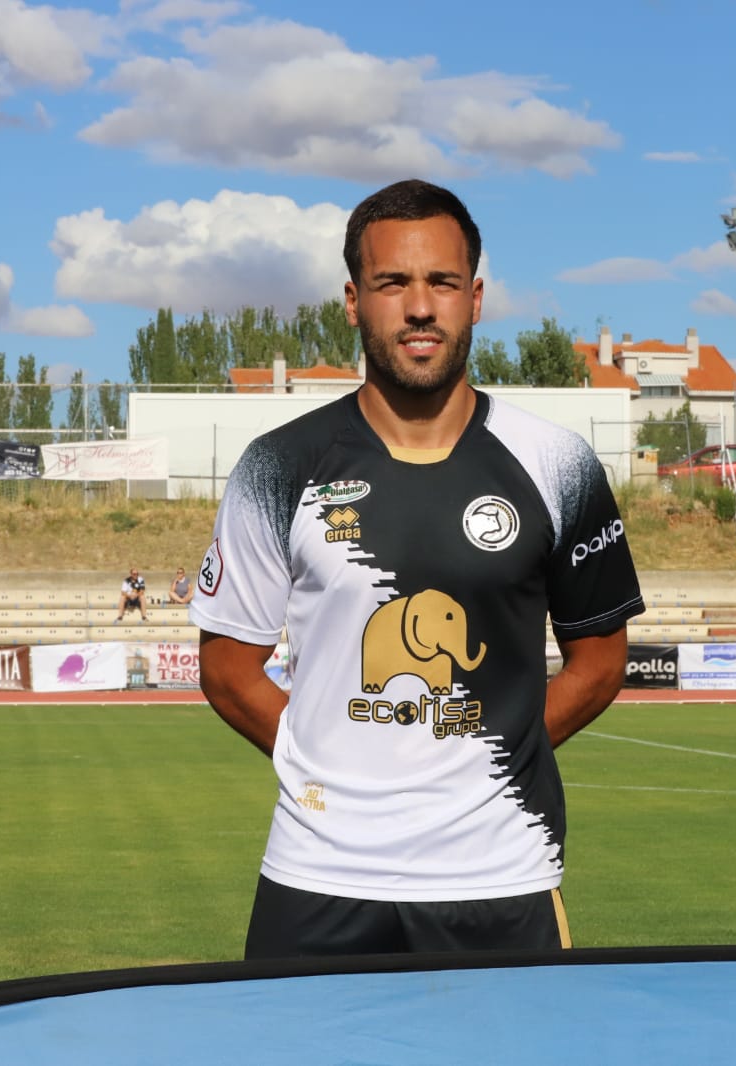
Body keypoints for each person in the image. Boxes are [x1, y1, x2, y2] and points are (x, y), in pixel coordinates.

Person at [192, 180, 642, 960]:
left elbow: (599, 663)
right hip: (318, 874)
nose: (420, 306)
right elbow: (229, 669)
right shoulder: (277, 466)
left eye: (440, 282)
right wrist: (320, 767)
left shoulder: (558, 464)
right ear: (353, 302)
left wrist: (491, 761)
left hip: (498, 874)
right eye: (392, 283)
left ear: (474, 297)